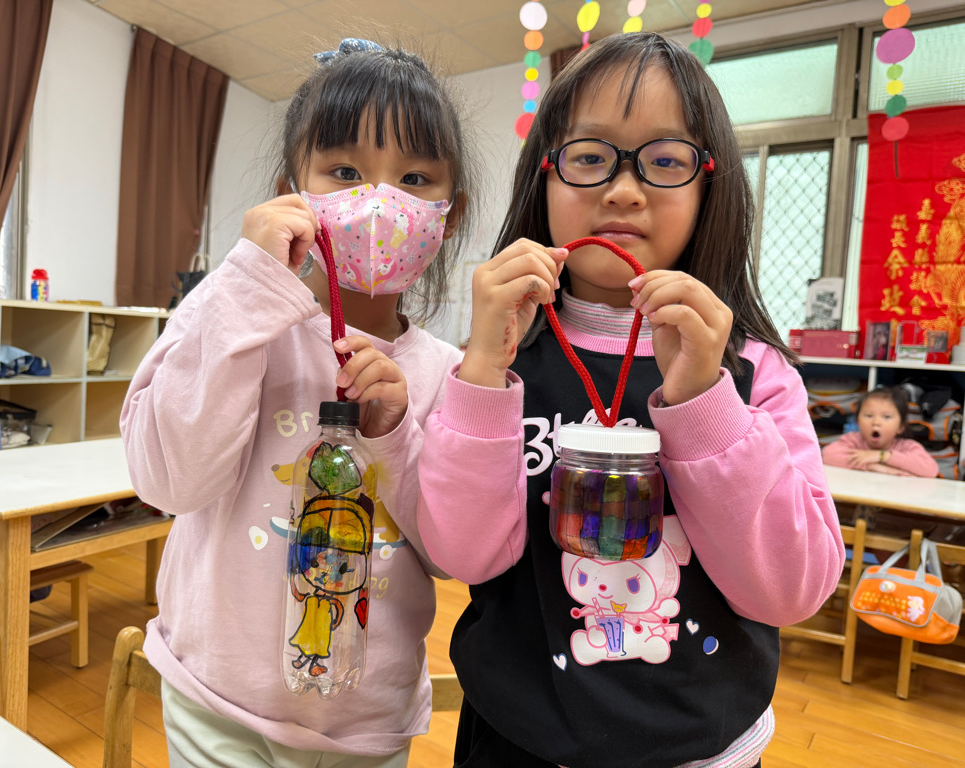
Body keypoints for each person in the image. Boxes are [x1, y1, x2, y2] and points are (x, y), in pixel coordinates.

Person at [416, 32, 844, 768]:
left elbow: (792, 589)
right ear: (543, 175)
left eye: (665, 160)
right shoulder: (496, 363)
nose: (621, 189)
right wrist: (481, 370)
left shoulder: (753, 370)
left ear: (710, 186)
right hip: (516, 741)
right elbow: (461, 557)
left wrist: (705, 402)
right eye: (588, 156)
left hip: (704, 748)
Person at [120, 39, 474, 768]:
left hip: (367, 726)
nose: (377, 202)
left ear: (450, 212)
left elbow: (450, 555)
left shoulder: (449, 373)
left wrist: (395, 434)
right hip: (216, 703)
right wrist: (245, 288)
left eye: (414, 179)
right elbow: (167, 481)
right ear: (292, 191)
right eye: (344, 172)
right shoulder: (230, 315)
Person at [822, 385, 938, 477]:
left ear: (900, 427)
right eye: (869, 415)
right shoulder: (853, 440)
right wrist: (871, 466)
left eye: (886, 417)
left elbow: (931, 470)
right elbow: (827, 455)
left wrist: (883, 456)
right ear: (858, 421)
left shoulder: (907, 447)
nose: (876, 422)